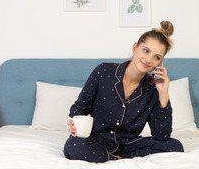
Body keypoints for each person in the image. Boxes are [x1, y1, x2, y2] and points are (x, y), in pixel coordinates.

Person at [63, 21, 184, 163]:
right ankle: (114, 159)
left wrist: (163, 93)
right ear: (135, 47)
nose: (148, 60)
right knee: (74, 146)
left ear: (160, 62)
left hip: (128, 145)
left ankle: (112, 157)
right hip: (95, 139)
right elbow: (80, 107)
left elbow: (161, 136)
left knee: (175, 146)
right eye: (146, 50)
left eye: (157, 57)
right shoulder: (103, 72)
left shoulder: (154, 88)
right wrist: (76, 124)